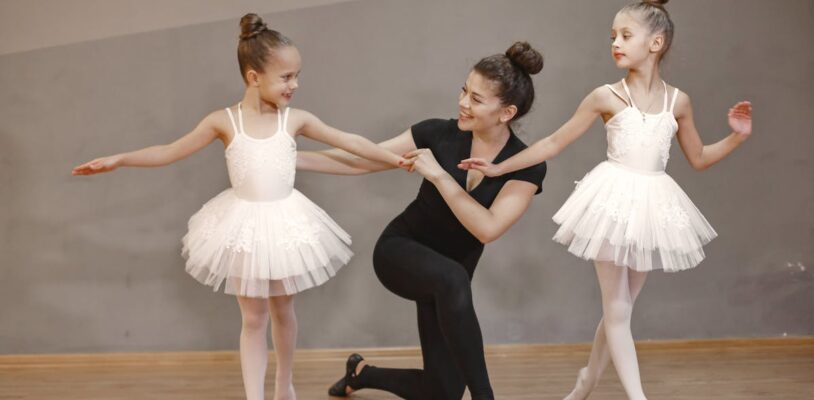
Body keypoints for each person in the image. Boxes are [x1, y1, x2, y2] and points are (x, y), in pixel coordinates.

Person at [71, 13, 405, 400]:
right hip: (244, 226)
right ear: (253, 77)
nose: (294, 85)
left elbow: (349, 141)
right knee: (253, 318)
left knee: (283, 311)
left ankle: (283, 385)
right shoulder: (223, 121)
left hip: (285, 224)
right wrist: (120, 158)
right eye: (286, 77)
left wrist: (393, 159)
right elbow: (168, 150)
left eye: (297, 75)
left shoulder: (295, 120)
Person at [459, 2, 753, 399]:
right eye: (613, 36)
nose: (615, 43)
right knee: (617, 310)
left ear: (656, 42)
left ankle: (585, 385)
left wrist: (736, 136)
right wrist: (499, 168)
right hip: (613, 204)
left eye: (625, 36)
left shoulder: (678, 102)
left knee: (622, 310)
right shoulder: (605, 97)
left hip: (652, 208)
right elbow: (554, 141)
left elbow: (698, 158)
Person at [297, 42, 547, 400]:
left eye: (476, 99)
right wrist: (291, 160)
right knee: (453, 278)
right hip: (400, 251)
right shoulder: (437, 133)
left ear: (506, 112)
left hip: (449, 284)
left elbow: (487, 228)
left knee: (442, 392)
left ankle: (361, 373)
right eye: (464, 90)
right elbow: (365, 158)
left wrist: (440, 177)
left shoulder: (526, 164)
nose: (462, 102)